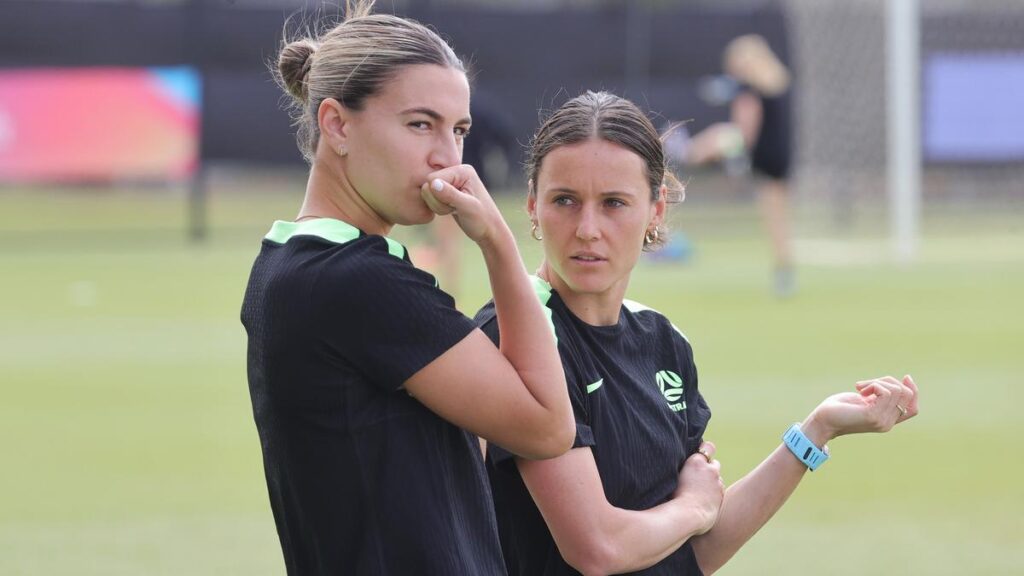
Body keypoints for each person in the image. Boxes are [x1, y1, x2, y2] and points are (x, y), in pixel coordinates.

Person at [475, 91, 920, 576]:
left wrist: (816, 430)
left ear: (656, 210)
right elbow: (597, 548)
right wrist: (694, 508)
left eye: (614, 203)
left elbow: (691, 553)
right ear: (533, 205)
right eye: (565, 200)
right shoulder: (515, 338)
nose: (587, 228)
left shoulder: (662, 340)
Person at [240, 2, 575, 574]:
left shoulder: (286, 261)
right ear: (337, 125)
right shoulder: (357, 281)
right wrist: (497, 240)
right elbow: (547, 427)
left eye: (459, 130)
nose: (448, 158)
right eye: (420, 124)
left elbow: (457, 446)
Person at [687, 34, 796, 297]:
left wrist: (709, 149)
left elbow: (743, 132)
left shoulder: (749, 90)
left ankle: (784, 272)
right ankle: (784, 269)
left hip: (766, 156)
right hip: (781, 154)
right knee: (779, 216)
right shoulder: (776, 83)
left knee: (774, 218)